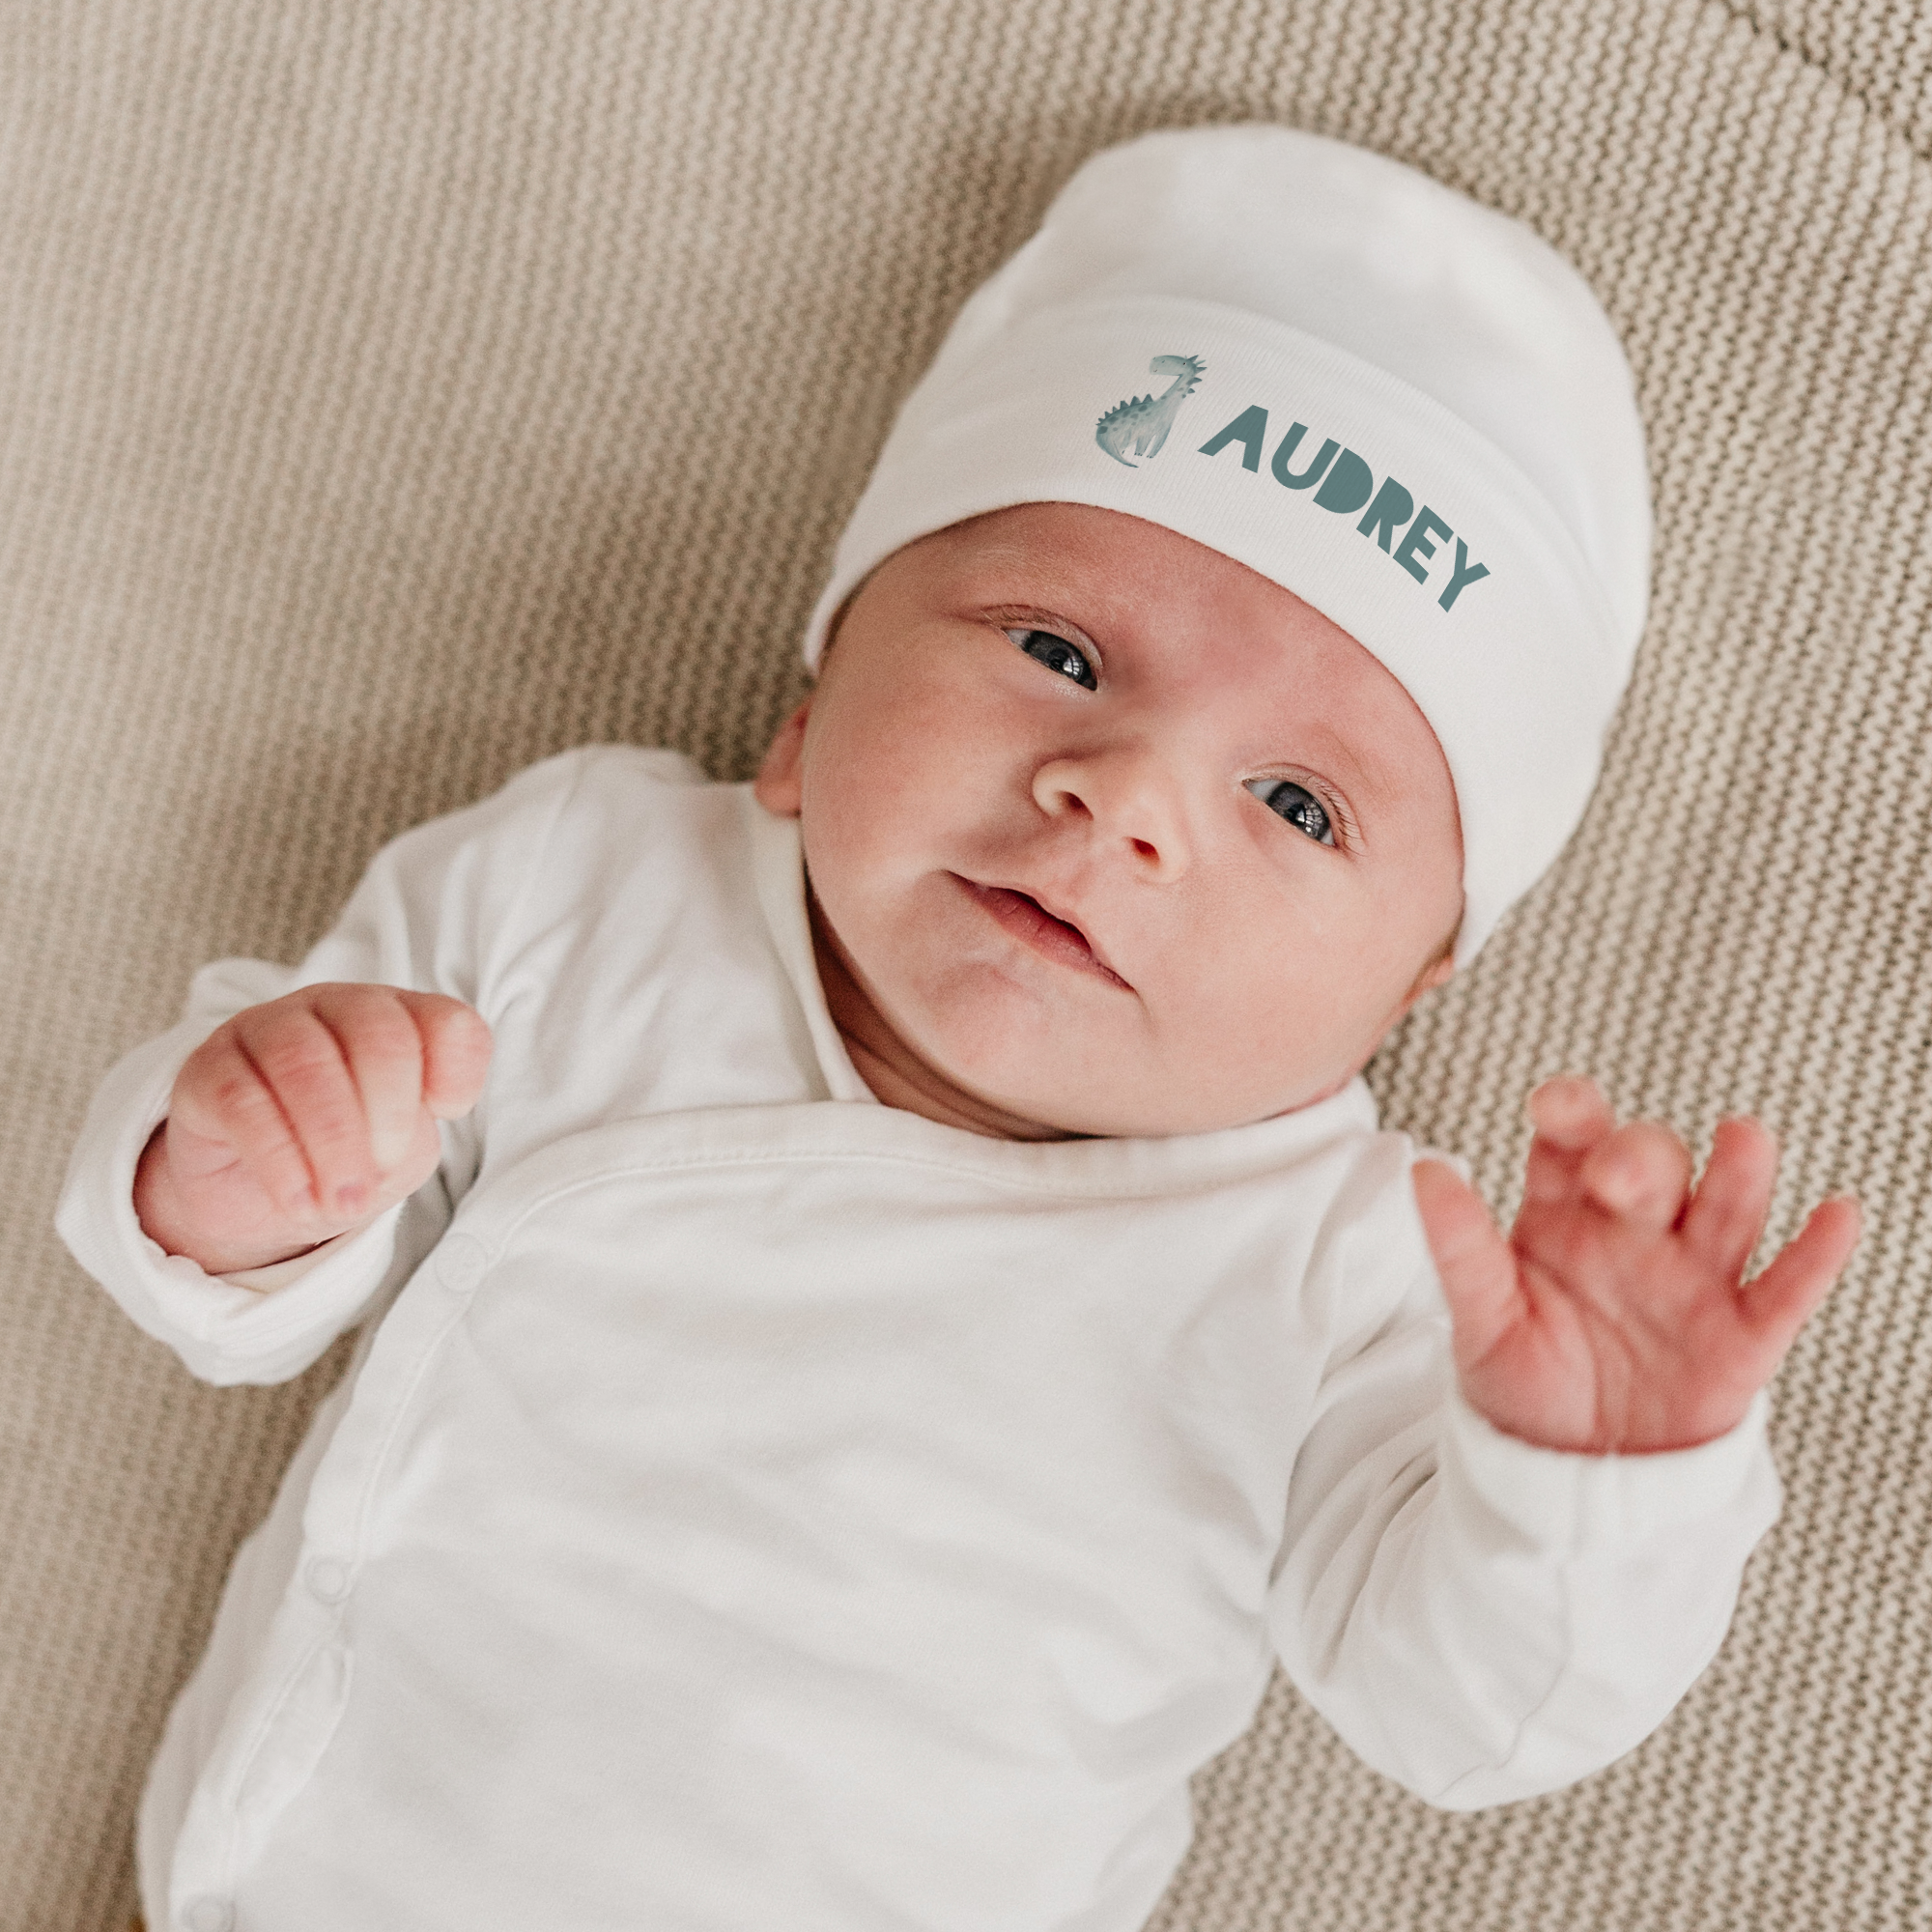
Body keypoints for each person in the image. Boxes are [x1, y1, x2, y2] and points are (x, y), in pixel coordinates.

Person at [61, 125, 1860, 1932]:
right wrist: (238, 1175)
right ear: (808, 705)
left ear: (1405, 996)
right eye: (1061, 655)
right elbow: (220, 1260)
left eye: (1299, 807)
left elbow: (1462, 1715)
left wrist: (1592, 1478)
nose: (1127, 797)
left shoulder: (1346, 1269)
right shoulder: (586, 888)